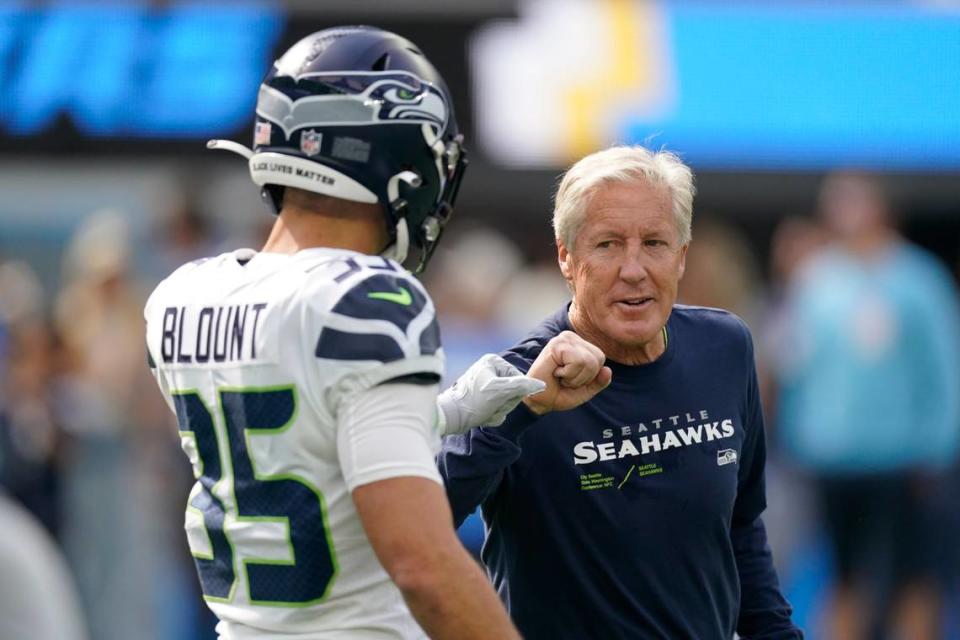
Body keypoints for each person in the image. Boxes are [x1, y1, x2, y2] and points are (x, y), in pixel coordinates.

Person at [144, 26, 608, 639]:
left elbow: (300, 438)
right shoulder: (363, 300)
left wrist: (455, 411)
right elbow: (422, 565)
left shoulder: (183, 295)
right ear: (395, 158)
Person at [439, 145, 802, 639]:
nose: (634, 269)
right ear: (566, 257)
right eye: (608, 245)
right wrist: (523, 411)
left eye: (654, 243)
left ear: (681, 257)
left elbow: (740, 530)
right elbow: (427, 520)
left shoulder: (725, 347)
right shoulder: (520, 380)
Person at [776, 172, 960, 639]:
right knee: (842, 576)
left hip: (905, 461)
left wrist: (938, 448)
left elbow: (944, 368)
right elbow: (798, 365)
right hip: (834, 458)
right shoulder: (817, 280)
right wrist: (799, 437)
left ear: (881, 210)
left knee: (913, 578)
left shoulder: (919, 280)